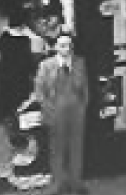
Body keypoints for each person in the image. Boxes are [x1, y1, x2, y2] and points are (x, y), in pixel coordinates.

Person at [33, 30, 90, 195]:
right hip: (56, 110)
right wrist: (48, 108)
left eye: (69, 45)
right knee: (57, 148)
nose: (66, 49)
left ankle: (76, 182)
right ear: (56, 47)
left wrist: (83, 106)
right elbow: (39, 90)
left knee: (76, 147)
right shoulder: (46, 65)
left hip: (76, 110)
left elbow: (85, 88)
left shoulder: (80, 63)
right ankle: (59, 183)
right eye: (63, 45)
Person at [0, 9, 39, 127]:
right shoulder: (24, 41)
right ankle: (17, 119)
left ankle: (1, 116)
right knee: (20, 97)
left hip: (5, 73)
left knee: (4, 94)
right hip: (20, 74)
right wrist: (33, 70)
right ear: (22, 25)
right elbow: (27, 60)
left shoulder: (3, 37)